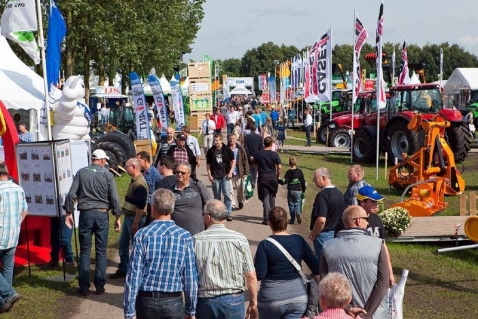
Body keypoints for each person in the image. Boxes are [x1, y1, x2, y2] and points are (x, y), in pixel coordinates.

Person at [123, 189, 198, 319]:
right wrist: (191, 309)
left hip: (146, 300)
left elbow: (134, 275)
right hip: (173, 301)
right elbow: (190, 277)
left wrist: (129, 312)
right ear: (172, 208)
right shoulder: (184, 236)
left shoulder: (142, 235)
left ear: (153, 209)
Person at [65, 149, 122, 296]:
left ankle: (84, 287)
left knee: (85, 250)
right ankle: (100, 286)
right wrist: (117, 216)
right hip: (102, 214)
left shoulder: (81, 172)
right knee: (101, 251)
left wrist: (68, 212)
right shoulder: (108, 175)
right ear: (103, 161)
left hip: (85, 214)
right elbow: (115, 198)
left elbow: (71, 194)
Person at [320, 206, 390, 319]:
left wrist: (348, 308)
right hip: (376, 314)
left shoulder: (327, 246)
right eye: (366, 219)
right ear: (358, 221)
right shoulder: (378, 245)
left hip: (341, 314)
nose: (368, 223)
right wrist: (365, 314)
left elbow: (324, 283)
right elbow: (383, 282)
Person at [193, 200, 258, 319]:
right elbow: (251, 275)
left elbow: (190, 278)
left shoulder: (196, 241)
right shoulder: (240, 239)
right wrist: (253, 303)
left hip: (205, 301)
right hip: (234, 300)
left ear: (207, 217)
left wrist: (190, 308)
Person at [254, 206, 319, 319]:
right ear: (286, 222)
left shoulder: (265, 245)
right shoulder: (298, 240)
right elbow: (316, 267)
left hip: (271, 299)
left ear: (270, 223)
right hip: (298, 298)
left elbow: (260, 274)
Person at [110, 158, 148, 280]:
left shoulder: (140, 184)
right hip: (129, 217)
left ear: (134, 167)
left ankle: (137, 272)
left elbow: (141, 206)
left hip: (134, 219)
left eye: (127, 166)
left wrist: (136, 223)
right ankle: (124, 268)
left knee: (136, 246)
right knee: (123, 244)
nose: (125, 168)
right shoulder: (134, 180)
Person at [0, 162, 27, 313]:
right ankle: (5, 302)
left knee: (7, 268)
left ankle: (8, 294)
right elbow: (24, 211)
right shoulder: (18, 189)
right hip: (13, 234)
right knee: (7, 268)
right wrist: (15, 224)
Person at [356, 185, 395, 286]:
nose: (376, 204)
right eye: (373, 201)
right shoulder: (348, 221)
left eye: (377, 201)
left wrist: (390, 273)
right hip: (358, 272)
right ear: (362, 202)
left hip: (377, 269)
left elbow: (384, 246)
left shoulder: (377, 220)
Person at [308, 168, 346, 262]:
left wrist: (313, 234)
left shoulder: (322, 196)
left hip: (324, 236)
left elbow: (321, 220)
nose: (313, 180)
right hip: (337, 234)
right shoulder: (339, 193)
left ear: (323, 178)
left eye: (315, 178)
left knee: (323, 264)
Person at [170, 162, 211, 235]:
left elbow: (209, 204)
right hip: (177, 234)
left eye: (182, 173)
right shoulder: (170, 190)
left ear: (189, 173)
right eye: (177, 172)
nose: (179, 174)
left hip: (197, 233)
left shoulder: (197, 186)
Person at [253, 136, 282, 225]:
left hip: (263, 177)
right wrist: (278, 176)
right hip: (273, 177)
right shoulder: (275, 154)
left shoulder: (258, 154)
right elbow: (279, 167)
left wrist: (259, 168)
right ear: (271, 144)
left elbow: (254, 165)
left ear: (263, 144)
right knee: (272, 196)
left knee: (265, 197)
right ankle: (273, 217)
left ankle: (267, 218)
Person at [206, 133, 235, 221]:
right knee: (217, 196)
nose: (216, 142)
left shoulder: (226, 149)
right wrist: (209, 175)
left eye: (217, 140)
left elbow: (233, 161)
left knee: (227, 194)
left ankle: (227, 213)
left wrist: (230, 172)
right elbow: (208, 164)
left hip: (225, 175)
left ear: (221, 140)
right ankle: (218, 213)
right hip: (215, 175)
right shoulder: (211, 151)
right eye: (215, 140)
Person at [136, 151, 162, 226]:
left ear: (145, 160)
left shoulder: (154, 173)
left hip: (150, 208)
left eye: (138, 161)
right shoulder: (141, 173)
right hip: (142, 206)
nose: (137, 163)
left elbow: (159, 190)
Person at [279, 157, 306, 225]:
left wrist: (278, 180)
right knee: (297, 203)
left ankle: (292, 219)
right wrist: (303, 190)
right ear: (296, 163)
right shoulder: (300, 171)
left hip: (291, 190)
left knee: (291, 204)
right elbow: (303, 181)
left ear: (289, 164)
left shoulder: (288, 172)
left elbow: (284, 181)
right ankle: (298, 213)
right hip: (298, 190)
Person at [228, 134, 249, 211]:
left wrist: (246, 172)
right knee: (230, 190)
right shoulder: (226, 148)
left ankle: (240, 201)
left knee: (240, 189)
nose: (231, 140)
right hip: (229, 172)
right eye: (230, 138)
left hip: (239, 172)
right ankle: (232, 204)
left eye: (233, 138)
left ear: (236, 139)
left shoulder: (240, 148)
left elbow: (245, 160)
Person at [244, 123, 264, 189]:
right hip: (257, 156)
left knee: (249, 169)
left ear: (250, 129)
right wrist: (257, 156)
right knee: (255, 169)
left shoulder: (247, 136)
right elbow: (261, 148)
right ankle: (253, 181)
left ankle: (252, 181)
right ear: (256, 129)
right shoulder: (260, 138)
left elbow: (246, 147)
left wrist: (250, 156)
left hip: (249, 155)